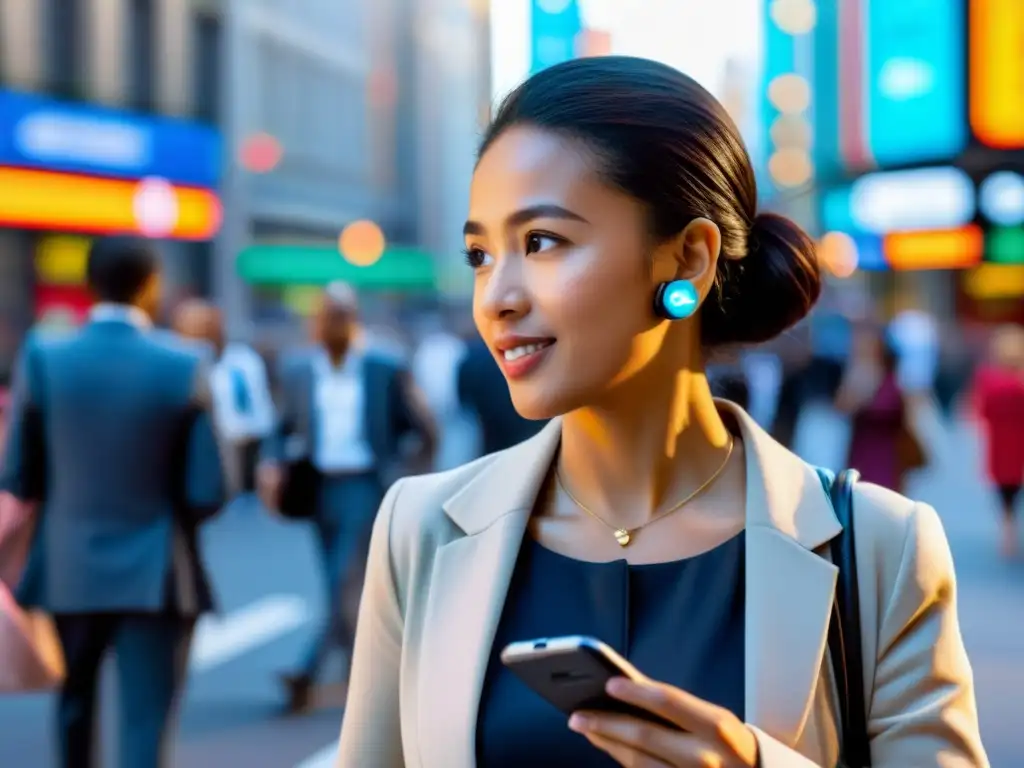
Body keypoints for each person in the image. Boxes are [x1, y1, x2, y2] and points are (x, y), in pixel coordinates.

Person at [336, 57, 987, 767]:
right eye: (479, 254)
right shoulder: (420, 530)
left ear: (688, 261)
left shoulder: (882, 547)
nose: (497, 296)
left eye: (542, 241)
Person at [0, 237, 225, 768]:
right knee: (145, 724)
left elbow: (18, 475)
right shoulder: (184, 364)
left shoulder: (44, 357)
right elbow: (208, 490)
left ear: (89, 283)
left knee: (74, 706)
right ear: (151, 286)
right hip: (157, 575)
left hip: (67, 567)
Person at [258, 281, 436, 713]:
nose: (331, 323)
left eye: (340, 314)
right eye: (326, 315)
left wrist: (405, 477)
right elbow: (281, 428)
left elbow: (423, 428)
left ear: (353, 317)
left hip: (364, 485)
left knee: (342, 583)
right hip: (318, 486)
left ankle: (306, 670)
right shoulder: (300, 369)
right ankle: (374, 675)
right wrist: (271, 463)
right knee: (339, 585)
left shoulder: (384, 365)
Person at [173, 299, 275, 497]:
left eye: (208, 326)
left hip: (237, 450)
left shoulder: (242, 361)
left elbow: (260, 412)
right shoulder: (175, 366)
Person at [836, 324, 926, 494]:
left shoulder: (896, 380)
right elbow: (842, 407)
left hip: (889, 457)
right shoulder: (857, 377)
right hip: (861, 455)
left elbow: (910, 416)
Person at [970, 325, 1024, 557]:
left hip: (1000, 444)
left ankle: (1007, 532)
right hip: (1016, 441)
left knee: (1005, 493)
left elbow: (979, 411)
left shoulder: (988, 379)